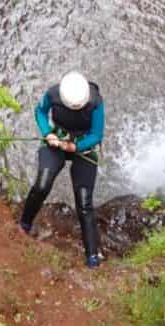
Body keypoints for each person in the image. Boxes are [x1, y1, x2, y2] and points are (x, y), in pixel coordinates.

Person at [19, 72, 105, 268]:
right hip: (57, 138)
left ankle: (92, 255)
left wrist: (75, 147)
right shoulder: (54, 93)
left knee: (84, 202)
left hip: (83, 146)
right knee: (42, 184)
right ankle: (24, 224)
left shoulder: (96, 102)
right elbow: (40, 112)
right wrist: (48, 133)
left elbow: (96, 134)